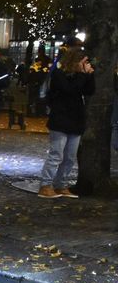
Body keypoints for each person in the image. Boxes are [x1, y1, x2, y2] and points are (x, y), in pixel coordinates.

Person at [37, 47, 94, 199]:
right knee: (56, 154)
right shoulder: (59, 74)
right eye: (83, 62)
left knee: (70, 157)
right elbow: (71, 90)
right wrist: (83, 75)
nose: (85, 65)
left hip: (76, 120)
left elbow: (89, 91)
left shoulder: (80, 76)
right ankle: (45, 185)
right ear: (74, 61)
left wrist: (89, 76)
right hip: (61, 119)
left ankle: (60, 185)